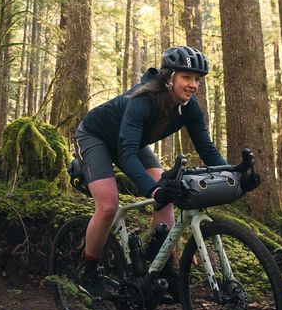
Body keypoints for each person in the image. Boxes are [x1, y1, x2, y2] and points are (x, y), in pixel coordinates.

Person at [72, 46, 228, 296]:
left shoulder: (189, 106)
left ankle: (162, 269)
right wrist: (152, 189)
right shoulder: (143, 99)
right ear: (169, 77)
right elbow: (126, 153)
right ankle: (87, 270)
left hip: (131, 143)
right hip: (96, 137)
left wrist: (232, 173)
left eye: (197, 79)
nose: (193, 85)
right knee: (109, 205)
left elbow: (207, 149)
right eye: (186, 77)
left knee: (167, 199)